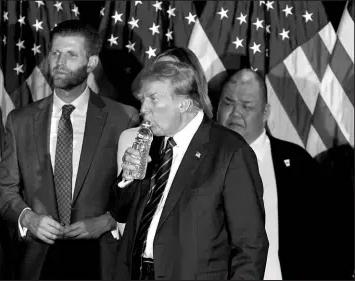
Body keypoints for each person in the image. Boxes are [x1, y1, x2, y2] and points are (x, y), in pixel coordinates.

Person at [0, 20, 139, 280]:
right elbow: (4, 189)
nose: (60, 62)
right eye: (56, 53)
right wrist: (27, 218)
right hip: (38, 260)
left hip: (101, 259)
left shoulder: (123, 118)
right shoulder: (20, 120)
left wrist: (108, 221)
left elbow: (138, 190)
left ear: (91, 63)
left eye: (72, 54)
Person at [110, 61, 269, 280]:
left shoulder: (230, 152)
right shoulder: (149, 143)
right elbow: (119, 213)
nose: (143, 109)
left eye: (153, 99)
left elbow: (251, 245)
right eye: (142, 100)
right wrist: (127, 179)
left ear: (184, 104)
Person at [217, 68, 328, 280]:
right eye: (228, 103)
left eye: (246, 106)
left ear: (265, 113)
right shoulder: (201, 160)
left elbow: (323, 238)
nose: (235, 113)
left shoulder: (298, 164)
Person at [117, 47, 213, 174]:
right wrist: (129, 179)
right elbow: (121, 192)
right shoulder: (133, 139)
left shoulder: (220, 145)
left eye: (168, 73)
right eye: (155, 72)